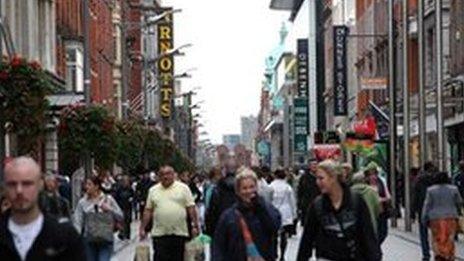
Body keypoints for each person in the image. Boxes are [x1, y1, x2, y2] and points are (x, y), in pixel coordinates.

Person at [0, 156, 87, 260]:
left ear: (40, 185)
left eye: (27, 184)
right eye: (12, 184)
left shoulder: (64, 236)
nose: (19, 191)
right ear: (5, 188)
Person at [296, 160, 381, 261]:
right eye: (317, 178)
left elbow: (368, 236)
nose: (317, 182)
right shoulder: (317, 205)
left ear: (333, 177)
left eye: (321, 178)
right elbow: (307, 240)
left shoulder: (356, 201)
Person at [212, 168, 281, 261]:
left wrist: (260, 206)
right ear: (238, 191)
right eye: (244, 188)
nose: (248, 191)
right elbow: (219, 245)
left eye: (252, 187)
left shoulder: (266, 208)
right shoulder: (228, 216)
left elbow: (274, 226)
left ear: (257, 187)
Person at [139, 165, 199, 261]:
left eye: (168, 174)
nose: (165, 177)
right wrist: (143, 228)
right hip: (159, 233)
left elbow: (191, 208)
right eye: (162, 174)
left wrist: (195, 225)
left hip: (179, 233)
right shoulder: (153, 190)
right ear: (159, 176)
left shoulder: (183, 188)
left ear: (173, 175)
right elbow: (148, 210)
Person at [73, 176, 123, 261]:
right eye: (86, 184)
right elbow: (78, 221)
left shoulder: (108, 199)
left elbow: (120, 216)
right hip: (88, 239)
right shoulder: (82, 202)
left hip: (105, 238)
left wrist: (109, 209)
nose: (86, 187)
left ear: (96, 186)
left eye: (89, 184)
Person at [422, 171, 463, 261]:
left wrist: (424, 217)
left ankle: (439, 255)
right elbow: (459, 202)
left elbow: (427, 205)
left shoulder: (430, 190)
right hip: (451, 218)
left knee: (437, 238)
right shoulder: (454, 189)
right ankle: (449, 256)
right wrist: (459, 212)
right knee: (450, 238)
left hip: (435, 219)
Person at [205, 156, 239, 236]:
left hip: (219, 229)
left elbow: (211, 213)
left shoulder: (217, 189)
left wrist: (210, 233)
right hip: (238, 230)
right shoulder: (242, 188)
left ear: (224, 171)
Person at [269, 168, 297, 261]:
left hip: (273, 211)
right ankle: (282, 255)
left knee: (274, 235)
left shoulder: (271, 186)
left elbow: (268, 201)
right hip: (286, 212)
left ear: (275, 175)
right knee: (284, 235)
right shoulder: (287, 187)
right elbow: (292, 201)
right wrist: (294, 214)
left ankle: (274, 253)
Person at [412, 161, 437, 261]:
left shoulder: (418, 179)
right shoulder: (436, 179)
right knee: (436, 233)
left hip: (422, 208)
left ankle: (426, 254)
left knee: (423, 233)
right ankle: (437, 252)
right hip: (434, 209)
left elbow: (415, 196)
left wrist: (413, 211)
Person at [364, 162, 391, 245]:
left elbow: (388, 197)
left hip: (381, 212)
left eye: (374, 174)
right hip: (370, 213)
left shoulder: (381, 182)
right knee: (373, 234)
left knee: (383, 233)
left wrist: (380, 199)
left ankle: (376, 247)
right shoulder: (364, 184)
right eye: (370, 174)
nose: (373, 177)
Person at [296, 159, 320, 226]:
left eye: (316, 164)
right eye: (313, 164)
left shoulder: (321, 177)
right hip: (307, 205)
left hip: (319, 204)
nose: (314, 166)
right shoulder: (304, 178)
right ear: (309, 166)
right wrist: (299, 205)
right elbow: (300, 192)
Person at [114, 174, 134, 240]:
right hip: (121, 207)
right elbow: (116, 197)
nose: (125, 182)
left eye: (127, 181)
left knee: (127, 221)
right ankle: (122, 234)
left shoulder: (130, 189)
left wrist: (132, 199)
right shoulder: (119, 189)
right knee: (122, 221)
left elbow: (134, 196)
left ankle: (127, 235)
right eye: (124, 181)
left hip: (128, 207)